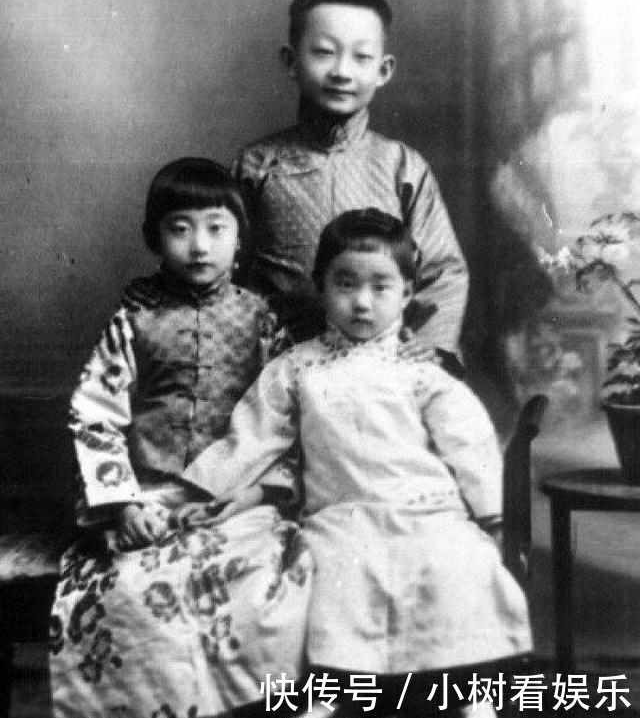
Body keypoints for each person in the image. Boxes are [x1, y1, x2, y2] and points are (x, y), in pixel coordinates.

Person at [185, 209, 531, 718]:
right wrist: (200, 491)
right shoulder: (297, 367)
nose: (362, 302)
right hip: (339, 514)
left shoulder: (420, 370)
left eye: (380, 286)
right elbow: (254, 435)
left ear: (407, 294)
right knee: (334, 579)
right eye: (345, 284)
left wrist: (493, 517)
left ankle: (469, 693)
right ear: (320, 286)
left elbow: (469, 443)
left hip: (427, 510)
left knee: (457, 563)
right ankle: (329, 695)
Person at [49, 158, 312, 718]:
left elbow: (287, 420)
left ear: (240, 239)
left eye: (216, 228)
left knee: (267, 580)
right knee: (128, 591)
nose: (199, 245)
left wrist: (255, 495)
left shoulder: (261, 320)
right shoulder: (134, 320)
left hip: (235, 500)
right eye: (180, 228)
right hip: (149, 498)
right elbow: (95, 415)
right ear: (154, 237)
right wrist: (122, 505)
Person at [232, 0, 468, 358]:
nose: (342, 71)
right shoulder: (257, 166)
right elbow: (227, 268)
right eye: (324, 53)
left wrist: (430, 343)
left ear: (384, 70)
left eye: (361, 57)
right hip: (277, 358)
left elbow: (442, 270)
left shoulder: (402, 167)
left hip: (379, 361)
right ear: (291, 61)